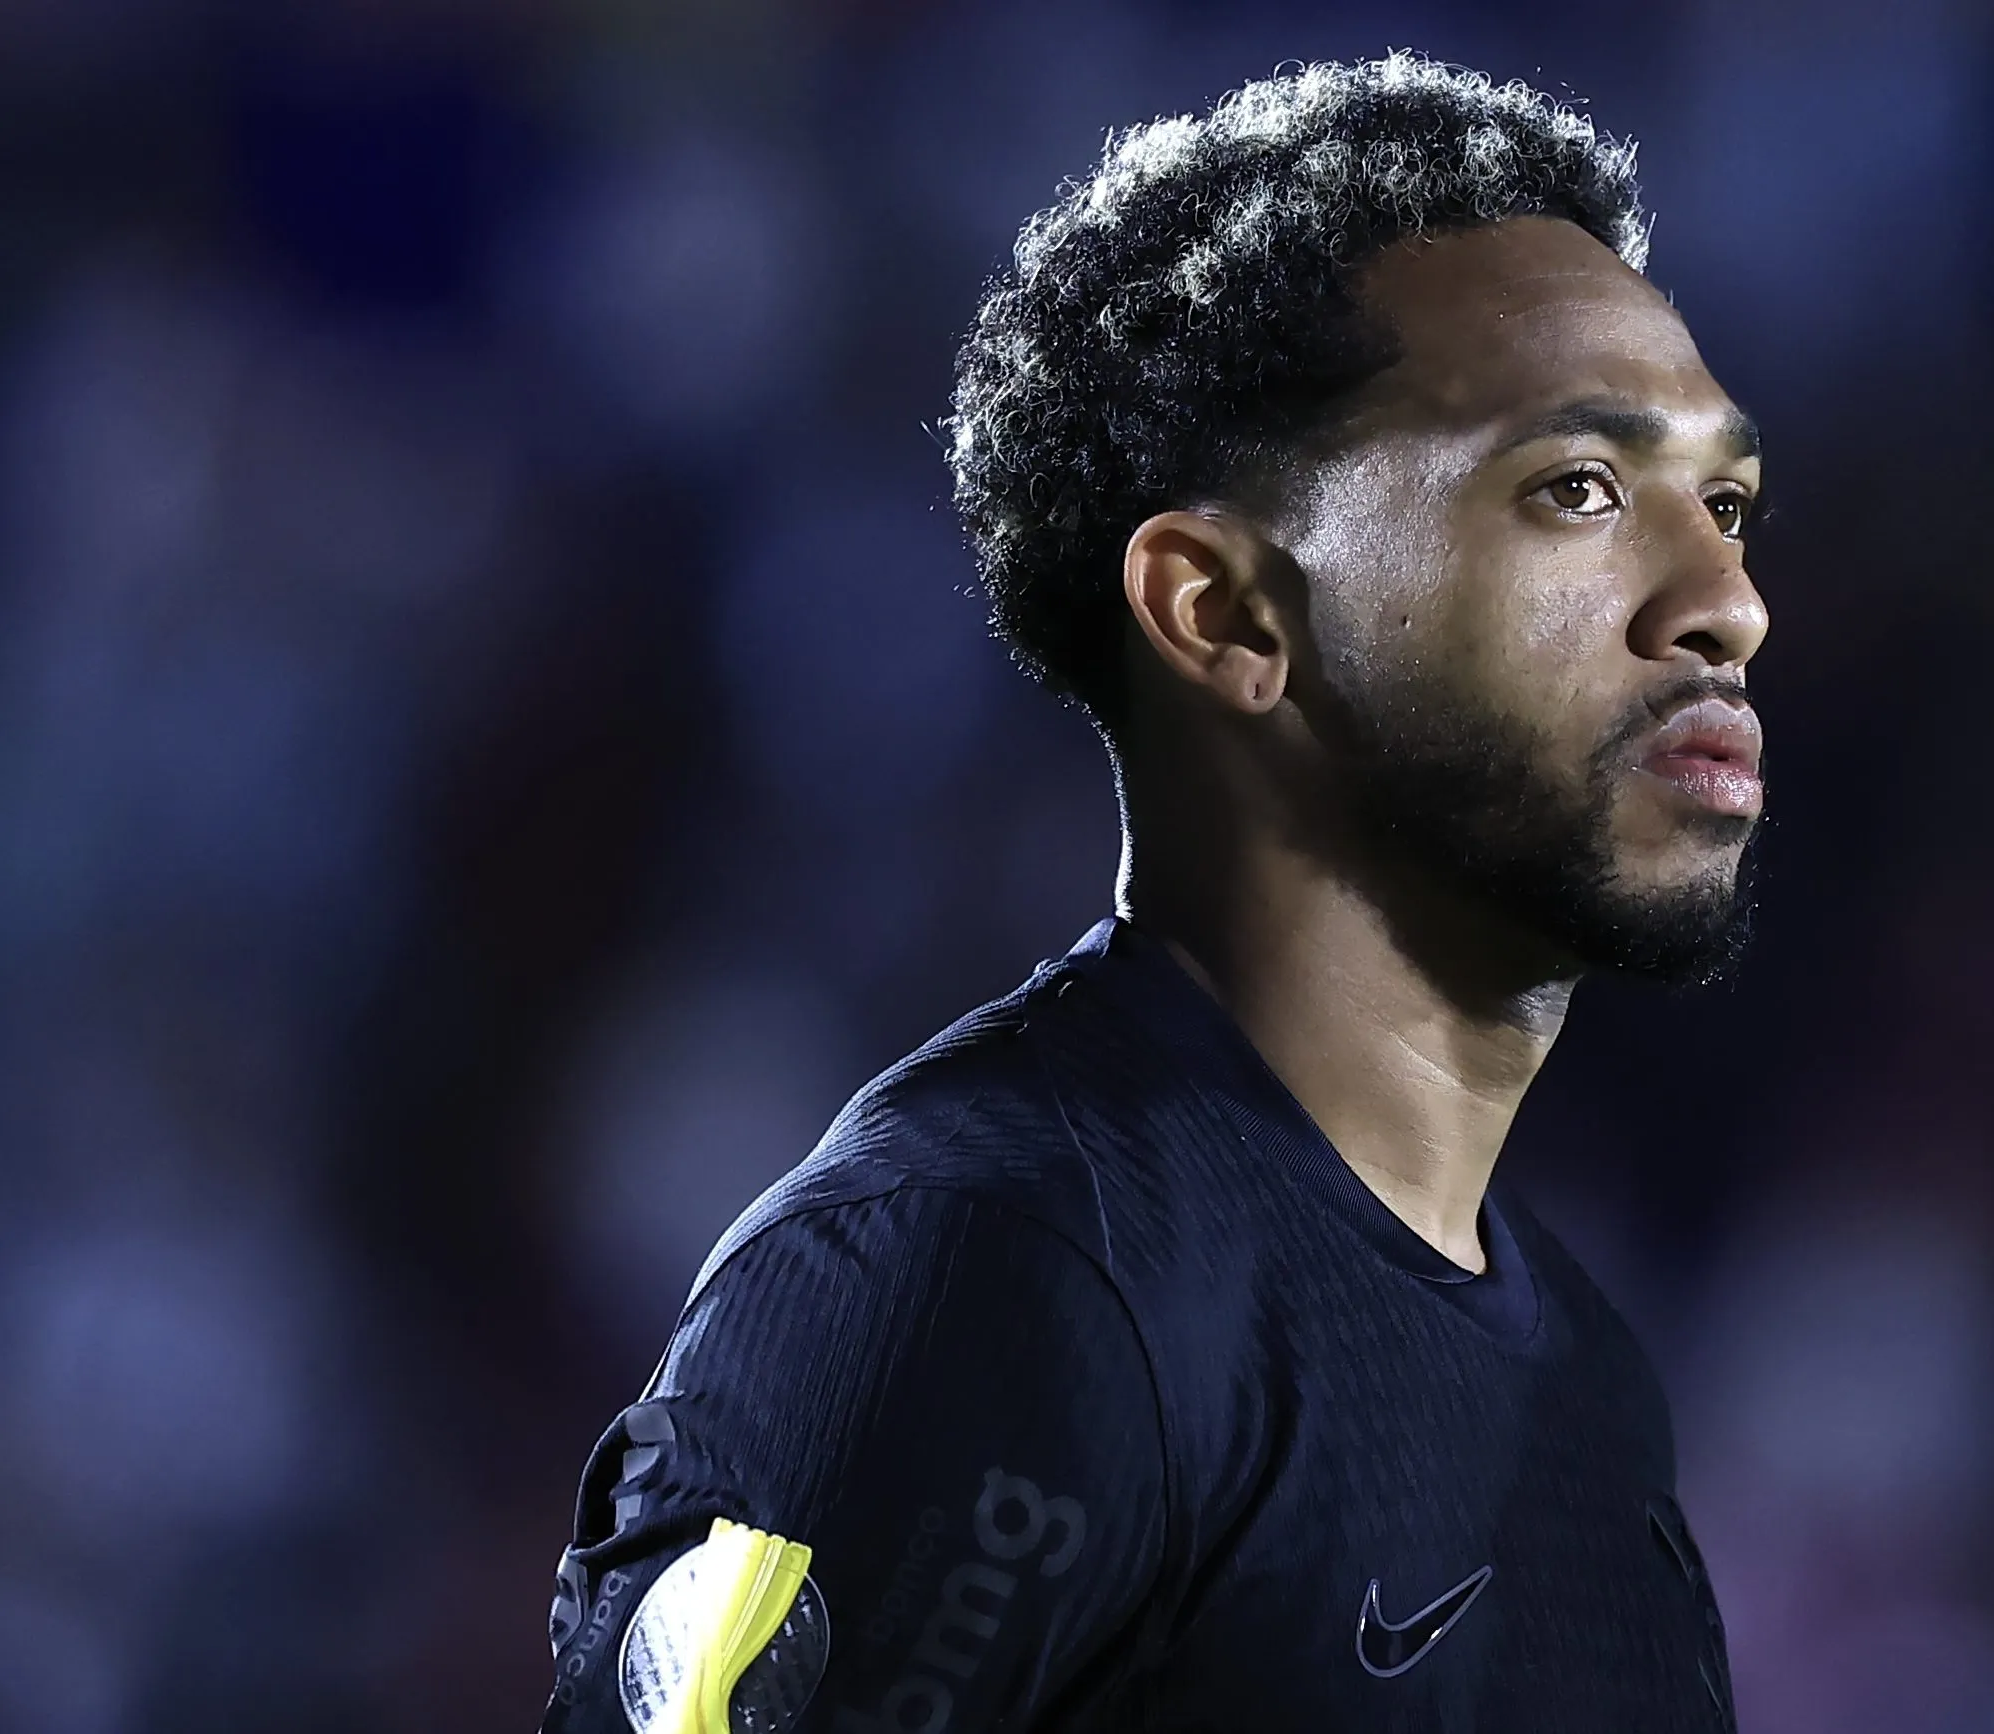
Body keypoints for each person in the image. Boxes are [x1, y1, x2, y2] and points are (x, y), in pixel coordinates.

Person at [538, 51, 1768, 1733]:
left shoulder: (1590, 1384)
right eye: (1576, 490)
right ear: (1226, 614)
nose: (1722, 600)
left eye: (1724, 504)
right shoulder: (989, 1268)